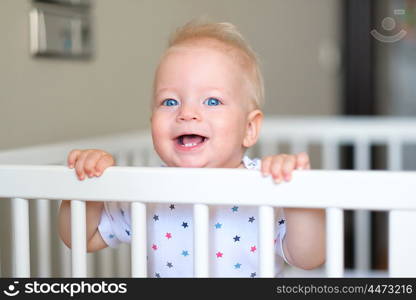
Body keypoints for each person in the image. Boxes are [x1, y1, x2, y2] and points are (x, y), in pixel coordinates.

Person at [59, 19, 325, 277]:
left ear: (249, 128)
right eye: (170, 101)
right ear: (153, 122)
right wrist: (88, 190)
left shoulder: (266, 185)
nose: (187, 113)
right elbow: (84, 239)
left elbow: (309, 258)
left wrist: (295, 194)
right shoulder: (146, 191)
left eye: (211, 101)